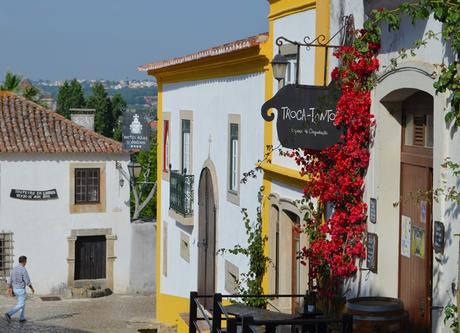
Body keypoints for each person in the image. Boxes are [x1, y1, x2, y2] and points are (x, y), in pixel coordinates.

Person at [4, 256, 35, 323]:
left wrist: (9, 288)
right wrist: (32, 288)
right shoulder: (23, 269)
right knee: (21, 304)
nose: (26, 263)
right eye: (26, 261)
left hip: (15, 289)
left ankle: (22, 318)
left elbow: (10, 279)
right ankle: (9, 314)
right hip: (21, 290)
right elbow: (27, 281)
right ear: (24, 262)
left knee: (21, 303)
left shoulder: (14, 269)